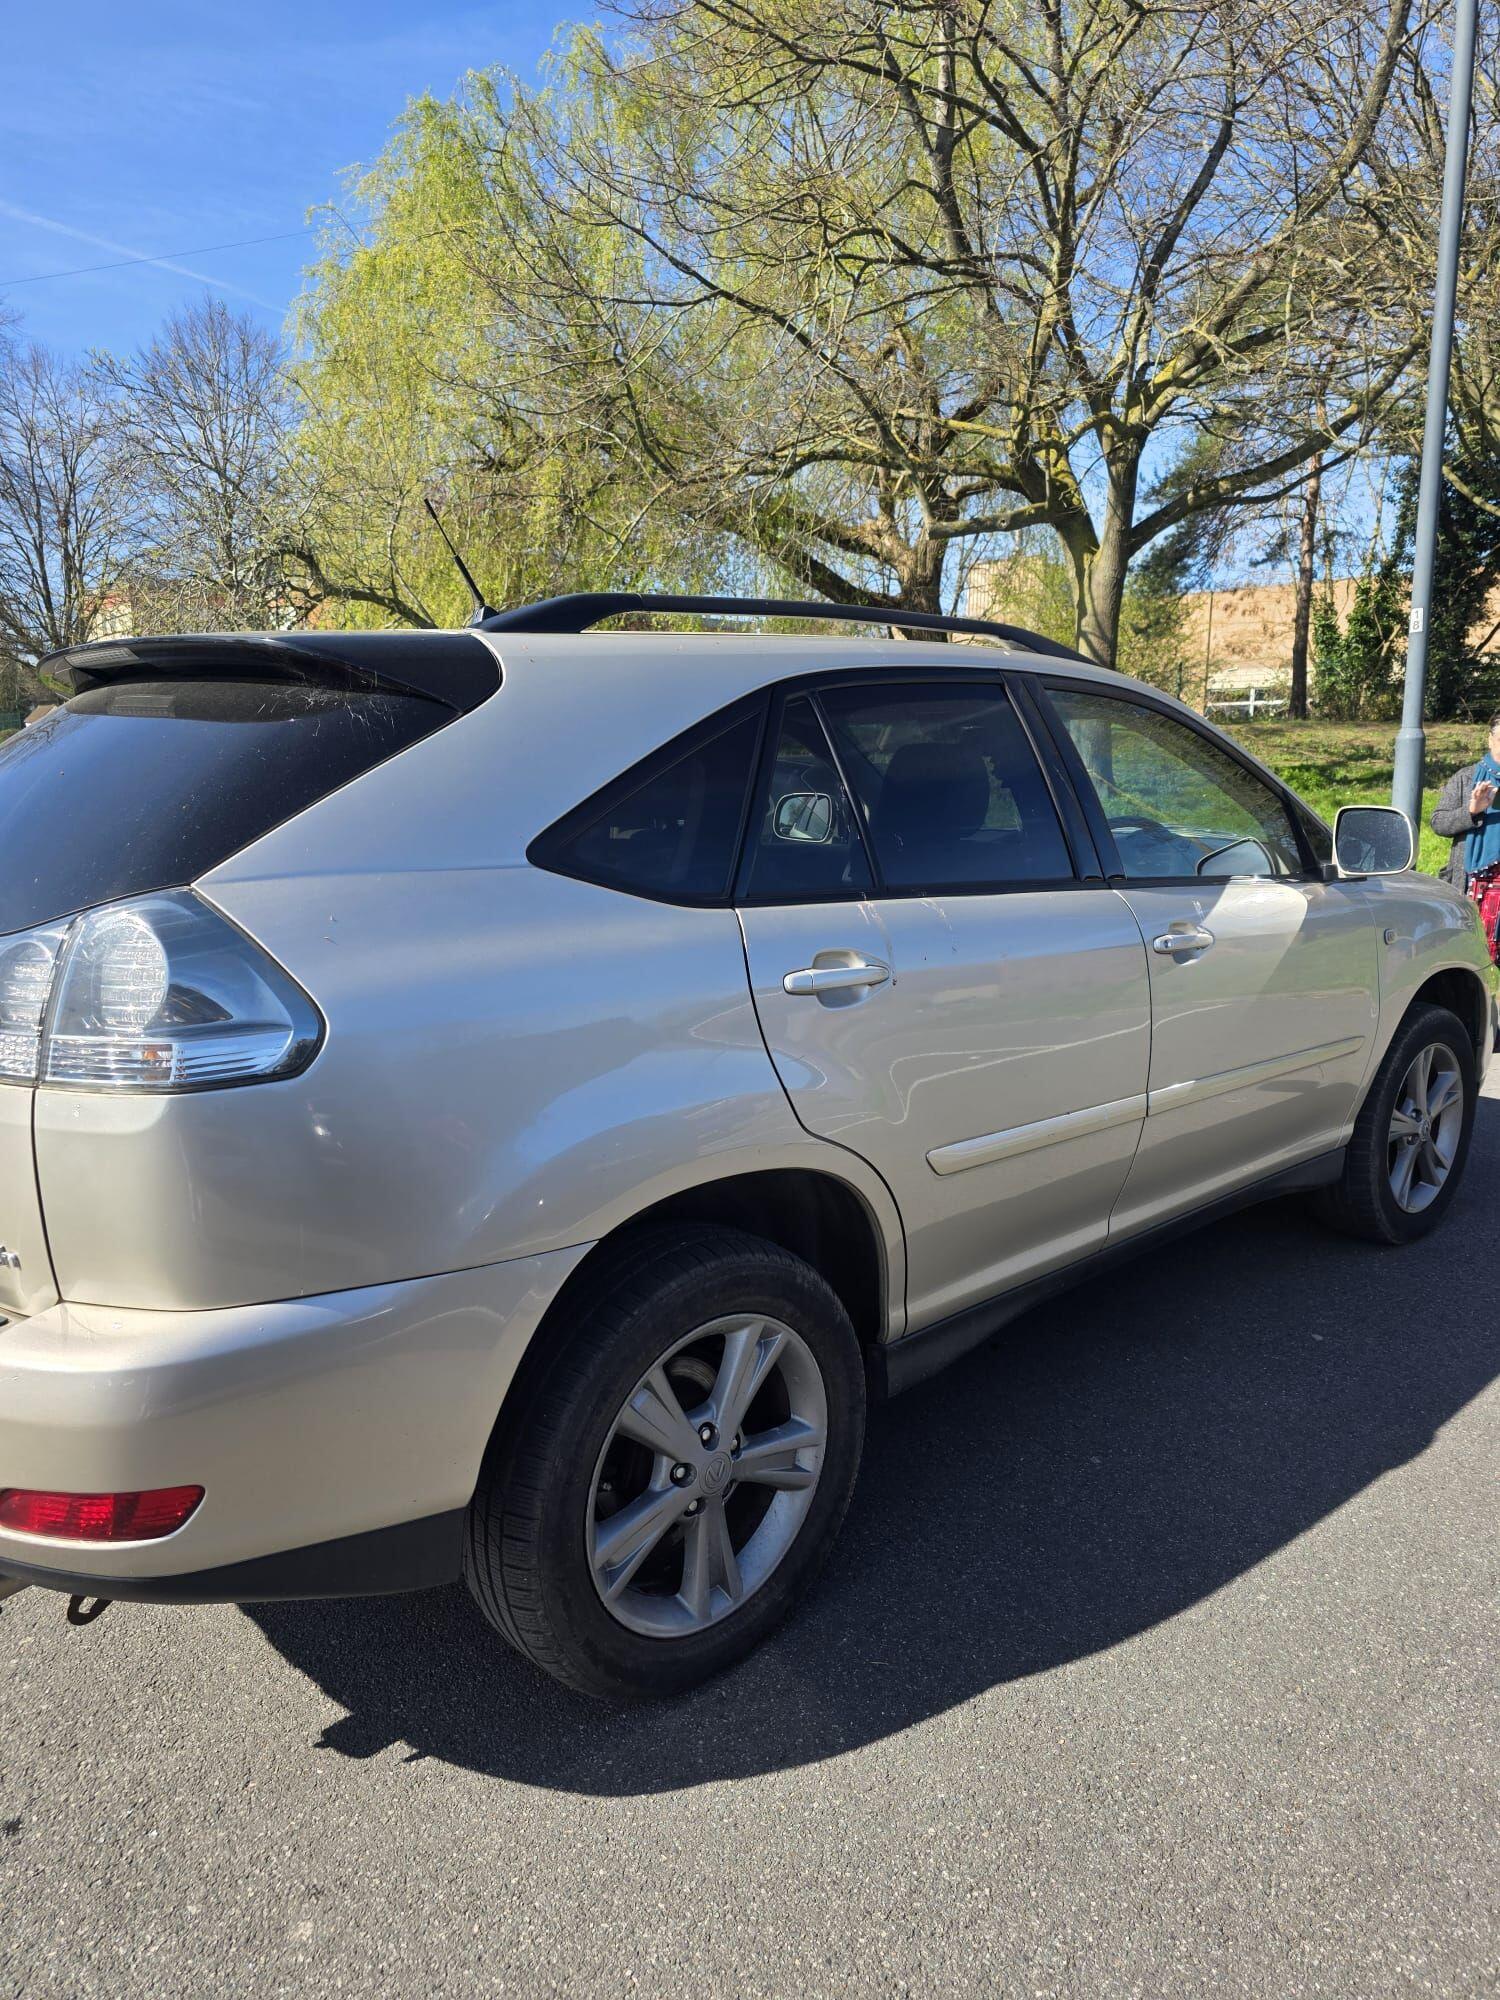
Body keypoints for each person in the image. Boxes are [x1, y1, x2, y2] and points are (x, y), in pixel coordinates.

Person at [1430, 710, 1500, 963]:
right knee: (1472, 956)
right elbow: (1438, 822)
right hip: (1474, 885)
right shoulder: (1465, 778)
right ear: (1489, 739)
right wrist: (1471, 811)